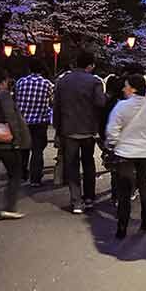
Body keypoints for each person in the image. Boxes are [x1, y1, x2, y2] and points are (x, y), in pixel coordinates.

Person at [105, 74, 146, 239]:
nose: (124, 89)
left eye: (126, 85)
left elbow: (112, 131)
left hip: (124, 154)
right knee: (143, 185)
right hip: (144, 154)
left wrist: (112, 144)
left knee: (124, 191)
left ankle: (122, 227)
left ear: (133, 88)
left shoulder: (121, 106)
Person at [54, 51, 106, 214]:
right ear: (90, 65)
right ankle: (89, 198)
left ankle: (76, 202)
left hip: (68, 130)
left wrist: (58, 128)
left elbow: (56, 107)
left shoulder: (62, 81)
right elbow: (100, 102)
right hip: (88, 130)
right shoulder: (94, 82)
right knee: (88, 163)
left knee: (72, 166)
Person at [0, 71, 30, 221]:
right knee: (15, 173)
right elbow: (11, 117)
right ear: (3, 82)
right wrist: (17, 140)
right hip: (4, 142)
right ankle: (9, 207)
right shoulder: (4, 95)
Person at [13, 59, 54, 186]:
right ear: (41, 70)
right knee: (37, 150)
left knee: (23, 149)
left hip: (22, 121)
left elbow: (15, 99)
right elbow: (52, 102)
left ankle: (21, 175)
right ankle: (35, 179)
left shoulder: (20, 82)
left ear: (29, 69)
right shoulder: (47, 84)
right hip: (40, 122)